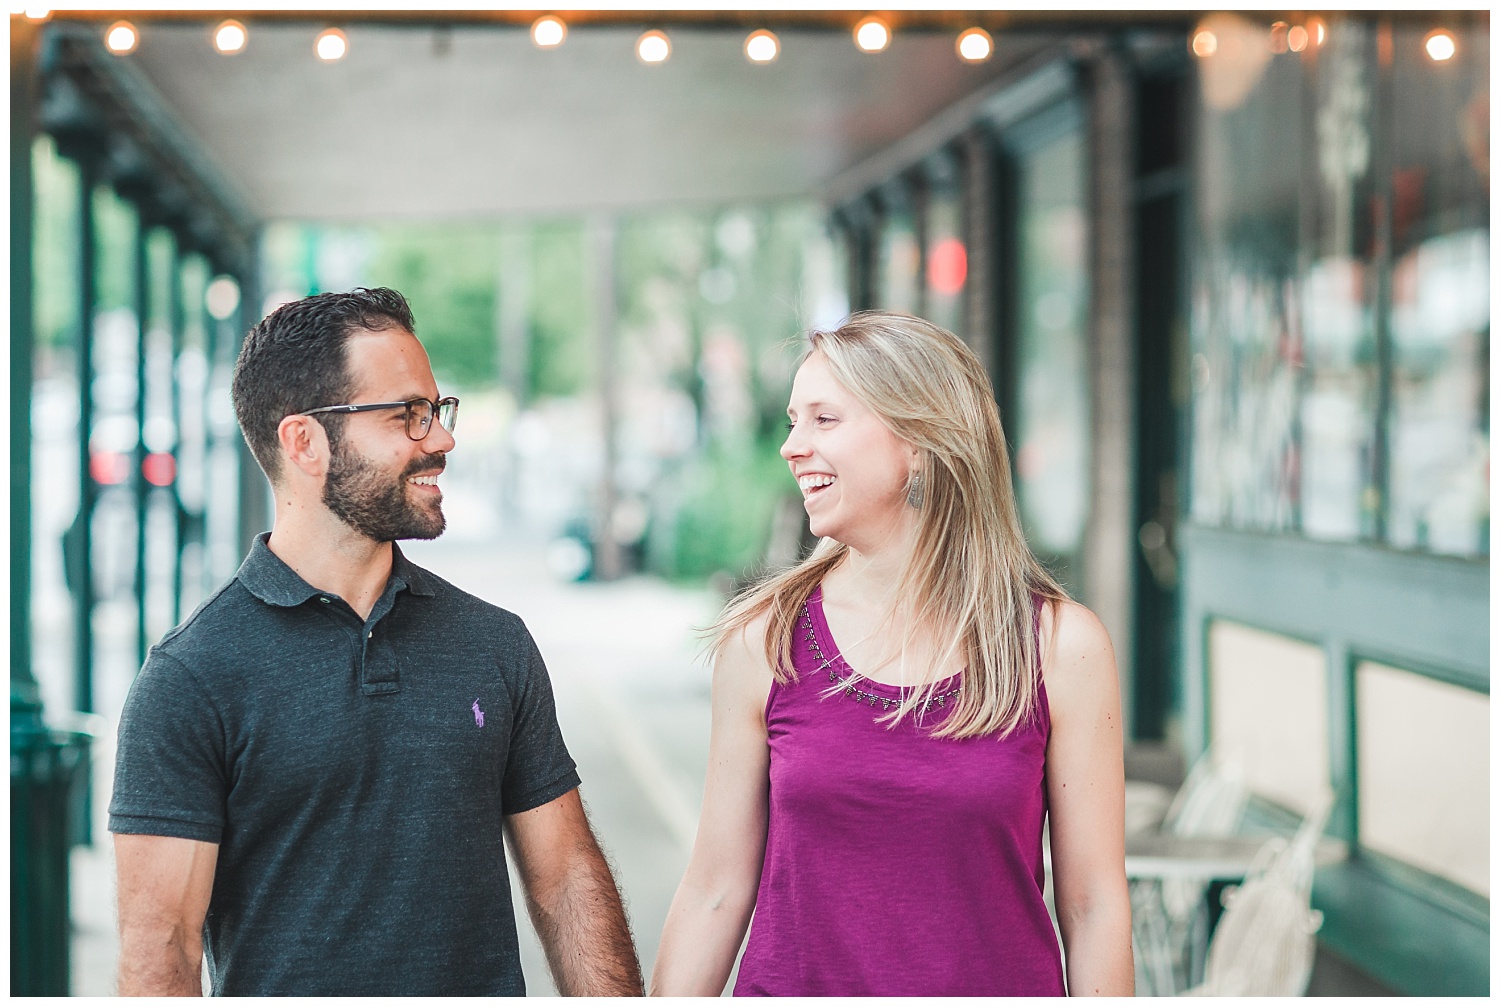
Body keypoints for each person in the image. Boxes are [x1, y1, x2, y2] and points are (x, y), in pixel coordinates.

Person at [109, 288, 643, 997]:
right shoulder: (191, 679)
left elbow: (567, 879)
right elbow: (161, 955)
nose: (441, 439)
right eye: (408, 416)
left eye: (437, 410)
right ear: (305, 442)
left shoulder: (494, 644)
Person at [652, 311, 1133, 996]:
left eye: (824, 419)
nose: (791, 446)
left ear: (920, 441)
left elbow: (1093, 905)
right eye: (793, 419)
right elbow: (714, 890)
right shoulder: (765, 639)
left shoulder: (1061, 647)